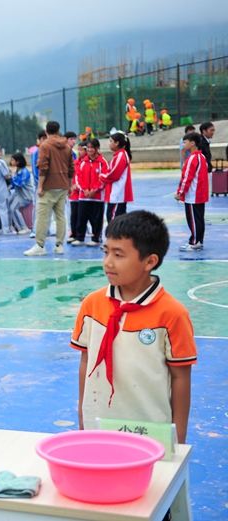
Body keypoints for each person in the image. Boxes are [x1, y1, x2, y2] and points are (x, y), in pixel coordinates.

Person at [71, 211, 195, 446]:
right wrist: (82, 411)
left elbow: (181, 377)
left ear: (150, 261)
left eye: (119, 255)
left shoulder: (172, 314)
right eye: (106, 252)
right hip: (100, 425)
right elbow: (86, 360)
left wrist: (178, 437)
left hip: (150, 431)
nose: (108, 262)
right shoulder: (92, 304)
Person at [24, 121, 74, 256]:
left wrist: (40, 186)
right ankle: (59, 245)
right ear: (58, 131)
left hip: (48, 187)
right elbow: (71, 168)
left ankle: (40, 245)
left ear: (46, 132)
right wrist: (70, 185)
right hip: (63, 186)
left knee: (42, 217)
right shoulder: (67, 147)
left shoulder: (45, 146)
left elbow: (43, 168)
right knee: (60, 216)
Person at [175, 132, 209, 252]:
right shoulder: (202, 157)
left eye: (185, 142)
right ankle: (199, 240)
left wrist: (180, 192)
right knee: (199, 219)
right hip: (200, 194)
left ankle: (194, 242)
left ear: (192, 143)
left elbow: (186, 178)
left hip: (193, 195)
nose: (183, 145)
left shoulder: (192, 159)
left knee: (193, 219)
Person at [71, 139, 108, 247]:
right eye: (88, 148)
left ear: (97, 148)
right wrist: (84, 190)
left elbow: (104, 178)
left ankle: (96, 238)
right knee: (81, 217)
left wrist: (94, 190)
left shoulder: (103, 162)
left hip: (97, 197)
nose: (90, 150)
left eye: (92, 147)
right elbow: (78, 177)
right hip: (84, 196)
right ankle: (80, 237)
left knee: (97, 218)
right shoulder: (83, 162)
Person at [100, 132, 133, 223]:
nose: (109, 143)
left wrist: (101, 176)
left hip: (117, 192)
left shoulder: (121, 156)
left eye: (111, 141)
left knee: (113, 217)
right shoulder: (120, 155)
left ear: (117, 143)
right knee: (119, 217)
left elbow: (114, 174)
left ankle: (114, 236)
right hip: (118, 193)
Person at [29, 130, 48, 237]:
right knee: (37, 207)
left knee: (47, 208)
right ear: (39, 140)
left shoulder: (49, 151)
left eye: (47, 138)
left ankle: (46, 229)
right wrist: (40, 184)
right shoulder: (36, 152)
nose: (45, 141)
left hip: (48, 185)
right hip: (39, 185)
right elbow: (36, 171)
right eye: (43, 139)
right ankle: (35, 230)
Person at [8, 152, 32, 234]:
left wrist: (11, 176)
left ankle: (23, 227)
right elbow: (14, 184)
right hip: (18, 193)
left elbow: (19, 183)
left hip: (24, 195)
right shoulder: (17, 169)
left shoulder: (25, 171)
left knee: (13, 208)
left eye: (12, 160)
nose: (11, 162)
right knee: (8, 204)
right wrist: (10, 186)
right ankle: (14, 226)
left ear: (17, 162)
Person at [66, 138, 85, 243]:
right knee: (74, 214)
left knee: (83, 215)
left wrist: (79, 186)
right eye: (79, 149)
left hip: (84, 193)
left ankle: (82, 234)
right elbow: (70, 175)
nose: (79, 152)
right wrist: (70, 186)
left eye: (82, 149)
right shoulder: (74, 163)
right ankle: (74, 233)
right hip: (74, 193)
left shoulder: (88, 163)